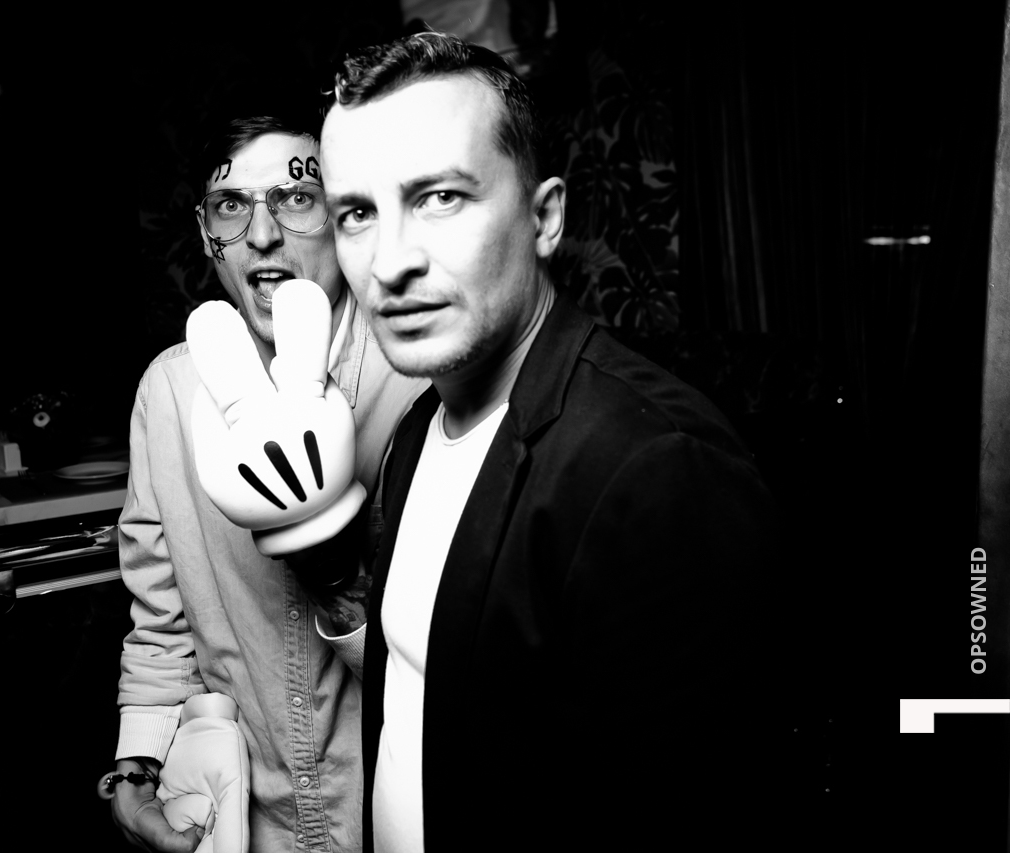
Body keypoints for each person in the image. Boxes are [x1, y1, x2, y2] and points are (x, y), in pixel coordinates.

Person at [319, 33, 785, 851]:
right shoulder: (416, 431)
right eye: (357, 213)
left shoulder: (654, 465)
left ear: (546, 217)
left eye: (439, 197)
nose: (389, 263)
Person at [111, 105, 427, 852]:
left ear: (345, 215)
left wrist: (339, 576)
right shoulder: (170, 393)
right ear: (204, 230)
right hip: (244, 821)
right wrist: (135, 771)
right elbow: (160, 624)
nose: (260, 235)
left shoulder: (418, 380)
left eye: (295, 198)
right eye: (231, 205)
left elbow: (466, 661)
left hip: (392, 811)